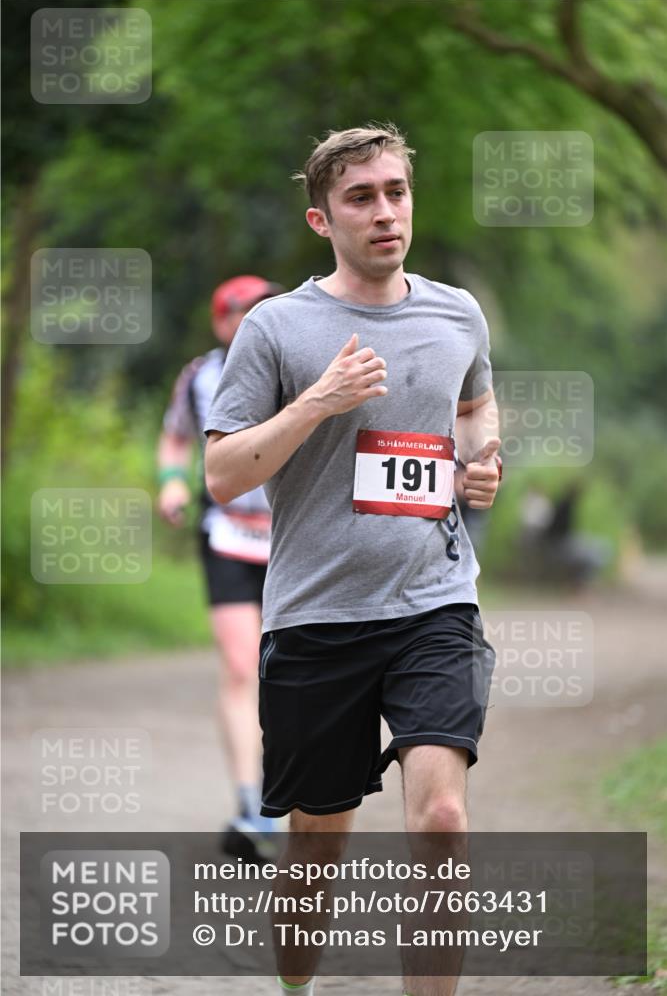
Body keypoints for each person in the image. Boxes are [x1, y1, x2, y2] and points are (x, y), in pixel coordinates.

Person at [204, 125, 501, 996]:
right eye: (360, 198)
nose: (384, 212)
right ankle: (295, 984)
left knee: (441, 820)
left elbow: (475, 404)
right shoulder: (277, 327)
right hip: (318, 617)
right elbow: (223, 474)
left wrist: (480, 459)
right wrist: (317, 403)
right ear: (320, 219)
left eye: (395, 192)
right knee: (316, 842)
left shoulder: (456, 313)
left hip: (434, 602)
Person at [157, 274, 284, 861]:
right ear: (221, 321)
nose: (258, 317)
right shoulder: (199, 376)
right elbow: (175, 438)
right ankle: (250, 802)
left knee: (287, 671)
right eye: (246, 310)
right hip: (228, 535)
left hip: (294, 541)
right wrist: (171, 484)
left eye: (267, 307)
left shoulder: (297, 363)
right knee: (240, 666)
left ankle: (289, 793)